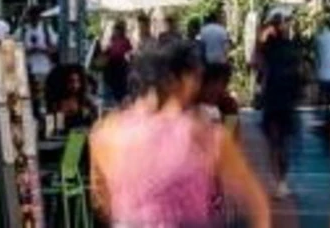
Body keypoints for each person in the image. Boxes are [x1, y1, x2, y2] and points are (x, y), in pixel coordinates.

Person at [90, 34, 270, 228]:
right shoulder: (203, 135)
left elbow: (101, 198)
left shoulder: (107, 132)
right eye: (195, 77)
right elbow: (254, 200)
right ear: (180, 79)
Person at [253, 11, 303, 197]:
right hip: (284, 99)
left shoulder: (268, 48)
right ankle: (281, 181)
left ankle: (279, 182)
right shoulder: (289, 47)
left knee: (275, 142)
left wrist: (260, 35)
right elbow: (299, 70)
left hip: (275, 97)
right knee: (281, 142)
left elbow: (255, 62)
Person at [45, 63, 97, 132]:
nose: (75, 85)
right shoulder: (55, 103)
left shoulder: (85, 103)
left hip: (79, 136)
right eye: (71, 81)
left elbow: (93, 126)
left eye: (78, 81)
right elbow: (52, 129)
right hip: (58, 138)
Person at [101, 20, 135, 106]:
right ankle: (112, 99)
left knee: (119, 84)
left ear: (121, 31)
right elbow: (108, 51)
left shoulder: (125, 40)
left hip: (120, 65)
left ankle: (119, 99)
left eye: (118, 30)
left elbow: (129, 52)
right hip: (112, 65)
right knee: (109, 79)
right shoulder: (112, 40)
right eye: (115, 30)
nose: (116, 31)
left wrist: (129, 58)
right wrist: (106, 51)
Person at [20, 5, 58, 82]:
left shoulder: (46, 29)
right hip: (28, 69)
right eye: (31, 16)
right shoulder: (23, 31)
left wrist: (43, 50)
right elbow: (17, 50)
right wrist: (28, 51)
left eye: (36, 15)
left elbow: (54, 49)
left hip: (45, 68)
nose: (34, 18)